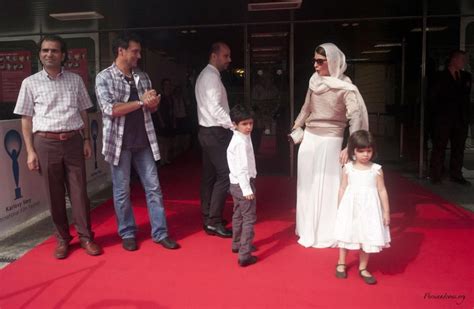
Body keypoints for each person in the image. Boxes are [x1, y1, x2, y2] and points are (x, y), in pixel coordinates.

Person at [14, 35, 102, 259]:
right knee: (54, 195)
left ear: (63, 55)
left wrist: (86, 140)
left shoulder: (76, 80)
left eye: (54, 51)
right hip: (45, 143)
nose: (49, 54)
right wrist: (30, 151)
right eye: (45, 50)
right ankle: (63, 238)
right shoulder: (30, 83)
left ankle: (86, 237)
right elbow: (26, 118)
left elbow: (84, 110)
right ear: (40, 54)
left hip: (73, 141)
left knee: (80, 193)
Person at [95, 32, 179, 251]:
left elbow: (150, 109)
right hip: (119, 144)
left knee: (154, 188)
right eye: (135, 51)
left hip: (144, 141)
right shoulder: (104, 77)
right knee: (121, 191)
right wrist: (140, 102)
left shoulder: (142, 76)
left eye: (139, 51)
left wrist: (153, 103)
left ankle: (160, 233)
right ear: (121, 51)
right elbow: (110, 109)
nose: (138, 56)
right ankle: (128, 232)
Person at [292, 43, 369, 248]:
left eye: (320, 61)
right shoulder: (314, 81)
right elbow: (306, 108)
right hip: (309, 139)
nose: (315, 65)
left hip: (332, 141)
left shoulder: (346, 86)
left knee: (327, 187)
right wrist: (295, 127)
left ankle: (326, 232)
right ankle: (306, 228)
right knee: (307, 186)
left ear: (333, 61)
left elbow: (355, 117)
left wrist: (350, 146)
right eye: (314, 61)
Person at [334, 130, 391, 285]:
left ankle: (363, 267)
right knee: (347, 233)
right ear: (353, 151)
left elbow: (382, 190)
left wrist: (386, 212)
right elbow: (342, 188)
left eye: (369, 151)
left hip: (370, 209)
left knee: (367, 235)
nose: (365, 154)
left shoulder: (376, 170)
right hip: (350, 207)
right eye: (361, 151)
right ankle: (341, 262)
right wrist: (340, 207)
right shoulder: (348, 168)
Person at [195, 42, 233, 238]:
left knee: (210, 176)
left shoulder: (208, 75)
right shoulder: (210, 78)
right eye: (225, 56)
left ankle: (209, 215)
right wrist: (233, 125)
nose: (229, 60)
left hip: (208, 131)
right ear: (214, 56)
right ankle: (214, 221)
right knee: (225, 174)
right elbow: (215, 108)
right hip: (214, 132)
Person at [429, 50, 472, 186]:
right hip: (443, 119)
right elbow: (434, 96)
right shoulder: (440, 76)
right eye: (461, 59)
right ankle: (436, 174)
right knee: (439, 146)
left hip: (460, 119)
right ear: (454, 60)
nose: (463, 62)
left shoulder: (466, 77)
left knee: (458, 148)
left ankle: (456, 174)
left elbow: (466, 98)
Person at [227, 105, 258, 267]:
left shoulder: (241, 137)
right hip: (242, 184)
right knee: (249, 218)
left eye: (251, 123)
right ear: (235, 124)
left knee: (238, 214)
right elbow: (242, 168)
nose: (249, 127)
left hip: (236, 184)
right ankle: (244, 254)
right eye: (244, 124)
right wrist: (247, 189)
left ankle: (237, 243)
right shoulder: (240, 142)